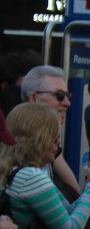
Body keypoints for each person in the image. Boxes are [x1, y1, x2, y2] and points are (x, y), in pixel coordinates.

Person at [21, 65, 81, 199]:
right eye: (59, 95)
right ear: (34, 98)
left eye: (68, 95)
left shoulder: (48, 144)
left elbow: (75, 195)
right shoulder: (17, 145)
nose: (67, 103)